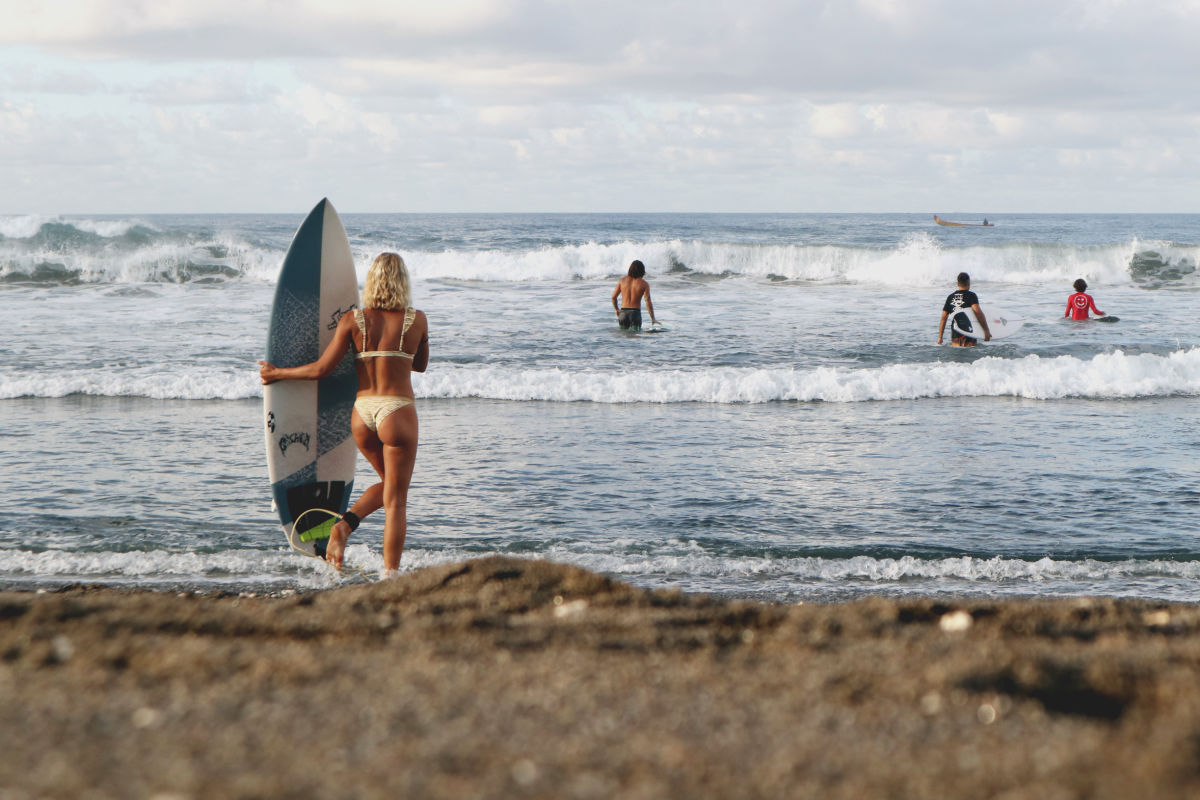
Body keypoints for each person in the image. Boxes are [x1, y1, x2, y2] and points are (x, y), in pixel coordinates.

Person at [259, 253, 429, 574]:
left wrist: (278, 373)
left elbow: (322, 369)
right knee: (396, 500)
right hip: (398, 412)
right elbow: (420, 365)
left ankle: (344, 527)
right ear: (402, 281)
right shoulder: (416, 319)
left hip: (362, 414)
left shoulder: (353, 320)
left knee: (391, 486)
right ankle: (390, 576)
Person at [937, 272, 992, 346]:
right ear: (968, 283)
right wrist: (986, 331)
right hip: (969, 333)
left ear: (958, 283)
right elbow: (977, 312)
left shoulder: (950, 297)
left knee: (956, 356)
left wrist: (940, 337)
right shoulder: (971, 295)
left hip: (955, 335)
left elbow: (943, 318)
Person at [611, 259, 658, 330]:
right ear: (642, 271)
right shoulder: (644, 284)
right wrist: (653, 319)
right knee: (635, 338)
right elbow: (648, 301)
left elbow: (613, 297)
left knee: (623, 337)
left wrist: (616, 309)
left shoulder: (622, 281)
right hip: (635, 314)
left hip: (623, 313)